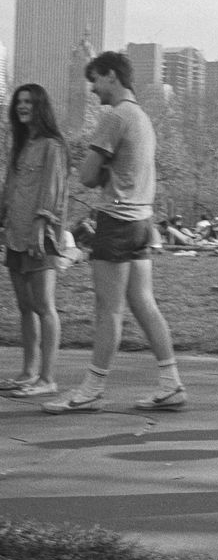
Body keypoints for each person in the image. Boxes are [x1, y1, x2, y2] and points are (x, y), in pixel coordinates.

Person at [42, 51, 186, 414]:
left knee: (108, 309)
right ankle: (171, 385)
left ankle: (91, 389)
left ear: (111, 76)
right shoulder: (142, 117)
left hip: (116, 221)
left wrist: (100, 166)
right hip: (141, 222)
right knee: (144, 304)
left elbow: (88, 176)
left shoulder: (115, 116)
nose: (92, 89)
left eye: (95, 80)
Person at [0, 84, 69, 398]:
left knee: (44, 306)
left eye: (29, 102)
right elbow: (11, 189)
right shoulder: (20, 144)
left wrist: (41, 228)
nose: (22, 106)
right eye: (19, 102)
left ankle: (47, 378)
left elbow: (52, 192)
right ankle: (28, 372)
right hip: (14, 235)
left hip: (39, 238)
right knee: (25, 307)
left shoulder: (53, 145)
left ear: (40, 106)